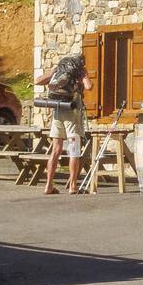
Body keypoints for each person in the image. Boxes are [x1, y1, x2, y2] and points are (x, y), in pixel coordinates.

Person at [34, 52, 92, 195]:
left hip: (58, 110)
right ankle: (73, 186)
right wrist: (84, 77)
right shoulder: (80, 70)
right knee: (74, 151)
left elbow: (38, 80)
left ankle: (48, 185)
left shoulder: (59, 68)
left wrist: (54, 71)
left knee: (55, 150)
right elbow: (89, 86)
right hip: (72, 111)